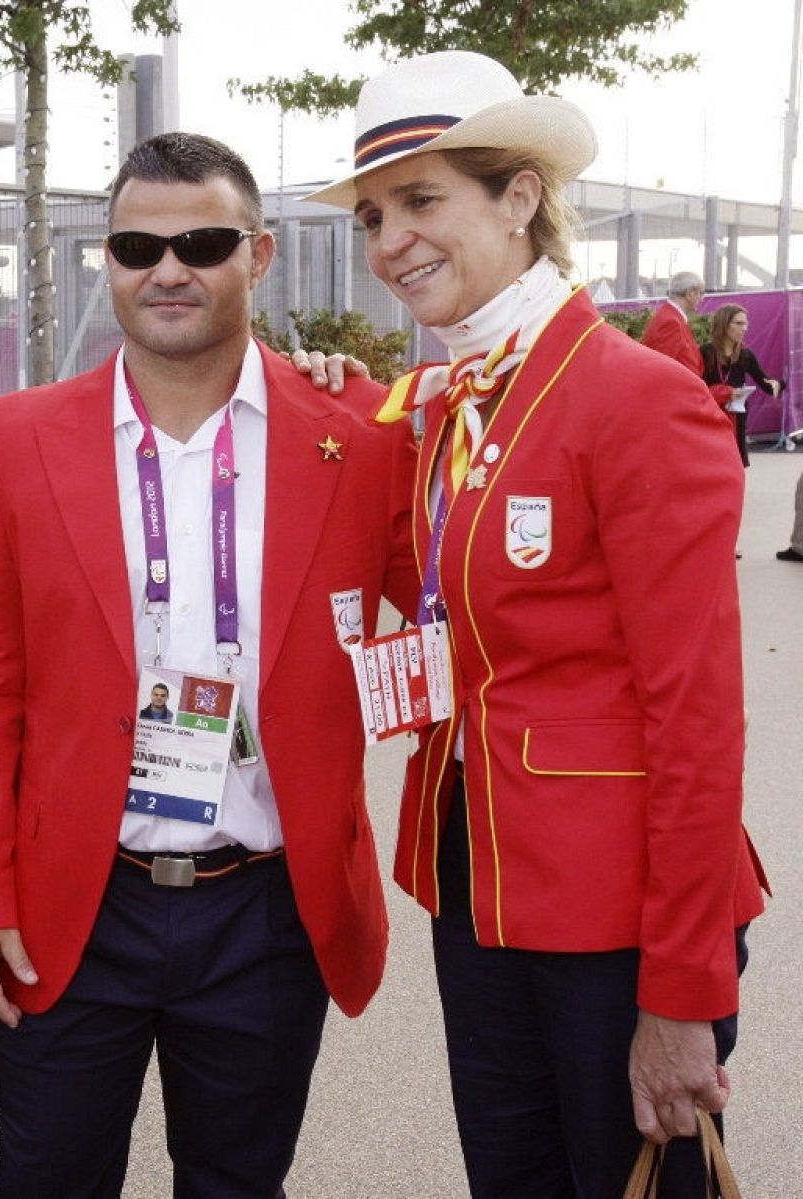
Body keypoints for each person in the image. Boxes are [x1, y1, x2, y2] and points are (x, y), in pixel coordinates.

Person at [307, 50, 768, 1198]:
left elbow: (697, 716)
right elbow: (439, 587)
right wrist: (335, 407)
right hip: (479, 877)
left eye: (421, 200)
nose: (390, 242)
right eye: (372, 217)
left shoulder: (634, 397)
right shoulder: (453, 403)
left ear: (519, 197)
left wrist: (681, 988)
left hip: (613, 909)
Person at [0, 131, 418, 1199]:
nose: (167, 270)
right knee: (48, 1181)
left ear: (258, 256)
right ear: (106, 260)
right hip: (73, 902)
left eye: (201, 244)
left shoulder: (359, 431)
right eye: (135, 247)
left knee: (238, 1182)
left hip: (265, 910)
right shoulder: (19, 436)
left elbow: (467, 600)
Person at [701, 303, 785, 467]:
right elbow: (697, 386)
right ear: (724, 324)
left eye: (746, 324)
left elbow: (766, 384)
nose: (744, 328)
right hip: (711, 416)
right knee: (712, 464)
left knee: (736, 465)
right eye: (739, 323)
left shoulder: (745, 355)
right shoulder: (706, 352)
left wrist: (779, 384)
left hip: (737, 418)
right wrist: (726, 392)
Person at [641, 270, 706, 378]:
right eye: (701, 293)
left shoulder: (672, 317)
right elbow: (661, 369)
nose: (702, 299)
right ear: (690, 293)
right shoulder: (671, 322)